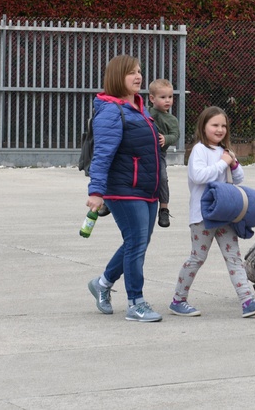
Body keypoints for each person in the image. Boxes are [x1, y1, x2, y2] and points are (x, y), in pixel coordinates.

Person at [169, 106, 255, 318]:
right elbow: (199, 176)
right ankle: (178, 300)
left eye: (223, 126)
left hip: (225, 214)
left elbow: (238, 179)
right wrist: (222, 163)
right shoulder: (200, 150)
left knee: (234, 258)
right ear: (203, 126)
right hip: (203, 216)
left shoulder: (223, 152)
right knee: (197, 257)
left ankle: (247, 301)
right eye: (215, 125)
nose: (220, 130)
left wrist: (233, 163)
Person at [85, 55, 164, 322]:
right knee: (137, 243)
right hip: (123, 189)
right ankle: (136, 303)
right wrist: (96, 191)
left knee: (137, 243)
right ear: (118, 77)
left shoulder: (138, 107)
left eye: (139, 71)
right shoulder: (111, 110)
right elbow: (102, 154)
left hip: (146, 190)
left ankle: (103, 283)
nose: (138, 76)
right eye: (131, 72)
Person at [148, 79, 179, 228]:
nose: (168, 100)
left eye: (170, 97)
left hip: (158, 154)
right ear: (152, 98)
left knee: (162, 177)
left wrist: (165, 139)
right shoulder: (146, 112)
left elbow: (175, 135)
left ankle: (164, 208)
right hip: (142, 153)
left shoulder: (171, 120)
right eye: (163, 97)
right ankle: (110, 200)